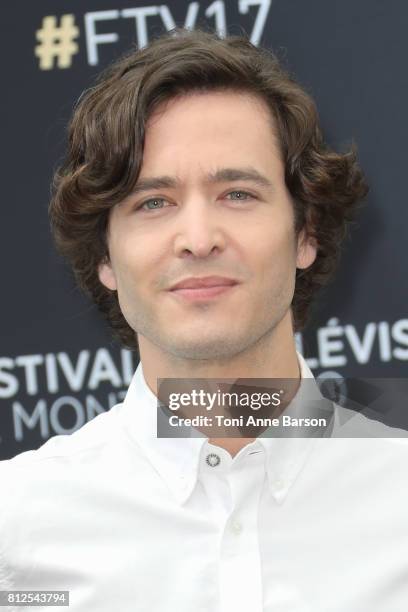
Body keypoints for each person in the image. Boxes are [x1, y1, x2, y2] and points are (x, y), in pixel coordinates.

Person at [1, 27, 407, 612]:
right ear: (105, 258)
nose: (196, 239)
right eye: (153, 202)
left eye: (237, 193)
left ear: (306, 232)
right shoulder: (16, 527)